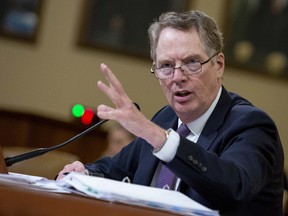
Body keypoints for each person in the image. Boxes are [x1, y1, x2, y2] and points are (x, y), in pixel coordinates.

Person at [57, 10, 284, 215]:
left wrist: (160, 138)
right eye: (166, 66)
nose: (177, 77)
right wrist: (83, 174)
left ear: (219, 65)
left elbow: (233, 188)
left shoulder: (252, 125)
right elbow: (115, 170)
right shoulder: (165, 119)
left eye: (192, 62)